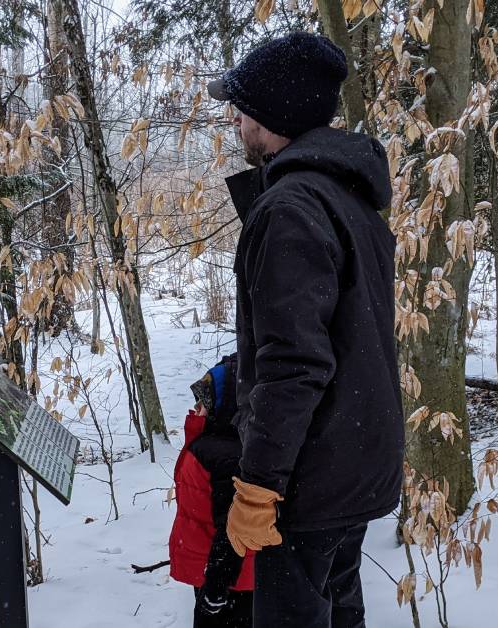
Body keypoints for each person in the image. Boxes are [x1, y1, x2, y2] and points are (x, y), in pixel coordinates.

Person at [208, 32, 404, 627]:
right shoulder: (347, 198)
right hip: (356, 461)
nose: (234, 120)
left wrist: (259, 487)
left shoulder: (291, 207)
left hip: (310, 477)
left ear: (270, 116)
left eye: (240, 108)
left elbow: (295, 365)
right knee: (339, 609)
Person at [169, 354, 255, 627]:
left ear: (226, 405)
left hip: (230, 580)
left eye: (205, 401)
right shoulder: (218, 442)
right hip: (218, 571)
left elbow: (233, 529)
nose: (197, 408)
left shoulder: (225, 455)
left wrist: (218, 584)